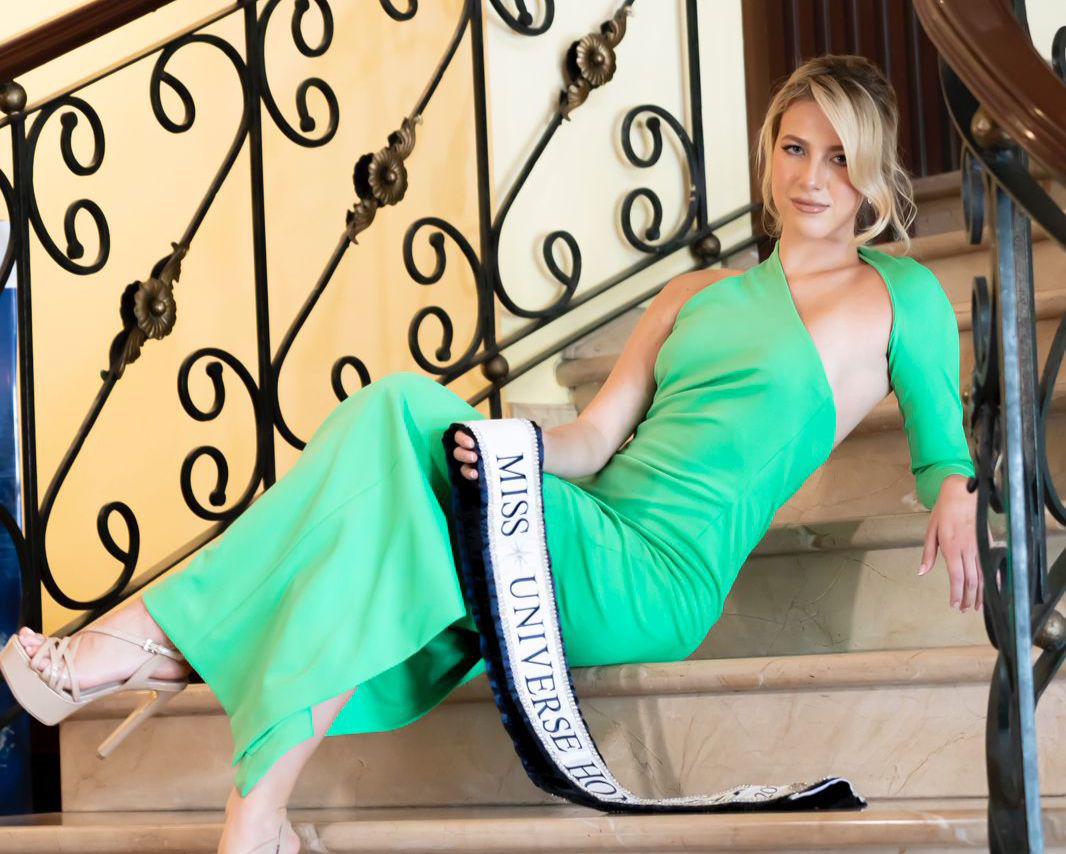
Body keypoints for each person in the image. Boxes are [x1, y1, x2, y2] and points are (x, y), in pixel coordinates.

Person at [0, 53, 983, 853]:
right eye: (794, 147)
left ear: (873, 171)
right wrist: (513, 447)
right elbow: (591, 440)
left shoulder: (897, 295)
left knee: (395, 424)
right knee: (392, 486)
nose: (811, 178)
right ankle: (253, 816)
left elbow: (942, 436)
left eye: (839, 158)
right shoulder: (693, 293)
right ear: (769, 153)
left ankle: (146, 643)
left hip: (658, 576)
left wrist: (953, 492)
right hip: (585, 516)